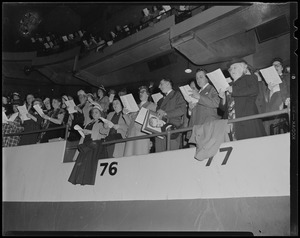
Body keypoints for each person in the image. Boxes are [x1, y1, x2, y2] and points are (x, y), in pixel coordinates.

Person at [219, 58, 266, 140]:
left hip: (246, 120)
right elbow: (223, 109)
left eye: (235, 67)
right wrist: (223, 97)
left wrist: (233, 90)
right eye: (230, 69)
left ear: (243, 68)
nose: (232, 70)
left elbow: (254, 90)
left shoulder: (250, 77)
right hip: (231, 123)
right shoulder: (229, 85)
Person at [68, 103, 109, 186]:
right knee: (81, 161)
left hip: (95, 144)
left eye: (96, 112)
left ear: (100, 113)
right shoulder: (89, 123)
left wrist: (90, 132)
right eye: (93, 112)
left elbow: (104, 133)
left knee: (87, 161)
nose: (94, 114)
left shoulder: (102, 122)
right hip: (86, 143)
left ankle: (85, 180)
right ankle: (79, 179)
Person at [187, 68, 221, 142]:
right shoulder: (197, 92)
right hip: (196, 128)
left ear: (207, 78)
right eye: (197, 78)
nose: (198, 80)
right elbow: (192, 114)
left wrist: (199, 97)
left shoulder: (213, 88)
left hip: (207, 127)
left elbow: (217, 103)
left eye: (201, 77)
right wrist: (190, 109)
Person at [123, 86, 157, 156]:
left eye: (143, 92)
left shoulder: (152, 106)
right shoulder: (134, 106)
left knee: (140, 158)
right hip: (131, 135)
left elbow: (151, 121)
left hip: (142, 134)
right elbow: (129, 123)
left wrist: (139, 113)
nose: (140, 93)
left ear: (148, 94)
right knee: (128, 157)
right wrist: (125, 114)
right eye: (139, 92)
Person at [155, 78, 186, 152]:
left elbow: (182, 110)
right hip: (159, 132)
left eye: (161, 84)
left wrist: (165, 114)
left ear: (168, 84)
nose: (159, 87)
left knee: (171, 157)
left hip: (172, 130)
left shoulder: (177, 95)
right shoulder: (160, 101)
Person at [262, 58, 290, 135]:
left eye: (277, 65)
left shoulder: (287, 77)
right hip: (269, 103)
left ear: (282, 68)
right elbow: (266, 97)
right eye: (273, 66)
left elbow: (290, 88)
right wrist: (269, 88)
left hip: (280, 99)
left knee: (275, 122)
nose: (275, 67)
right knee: (267, 122)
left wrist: (288, 98)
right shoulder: (268, 81)